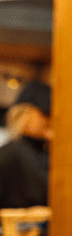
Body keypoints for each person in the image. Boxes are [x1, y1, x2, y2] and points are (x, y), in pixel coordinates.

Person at [0, 81, 53, 210]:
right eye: (46, 113)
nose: (51, 119)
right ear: (25, 113)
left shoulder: (45, 153)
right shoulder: (11, 152)